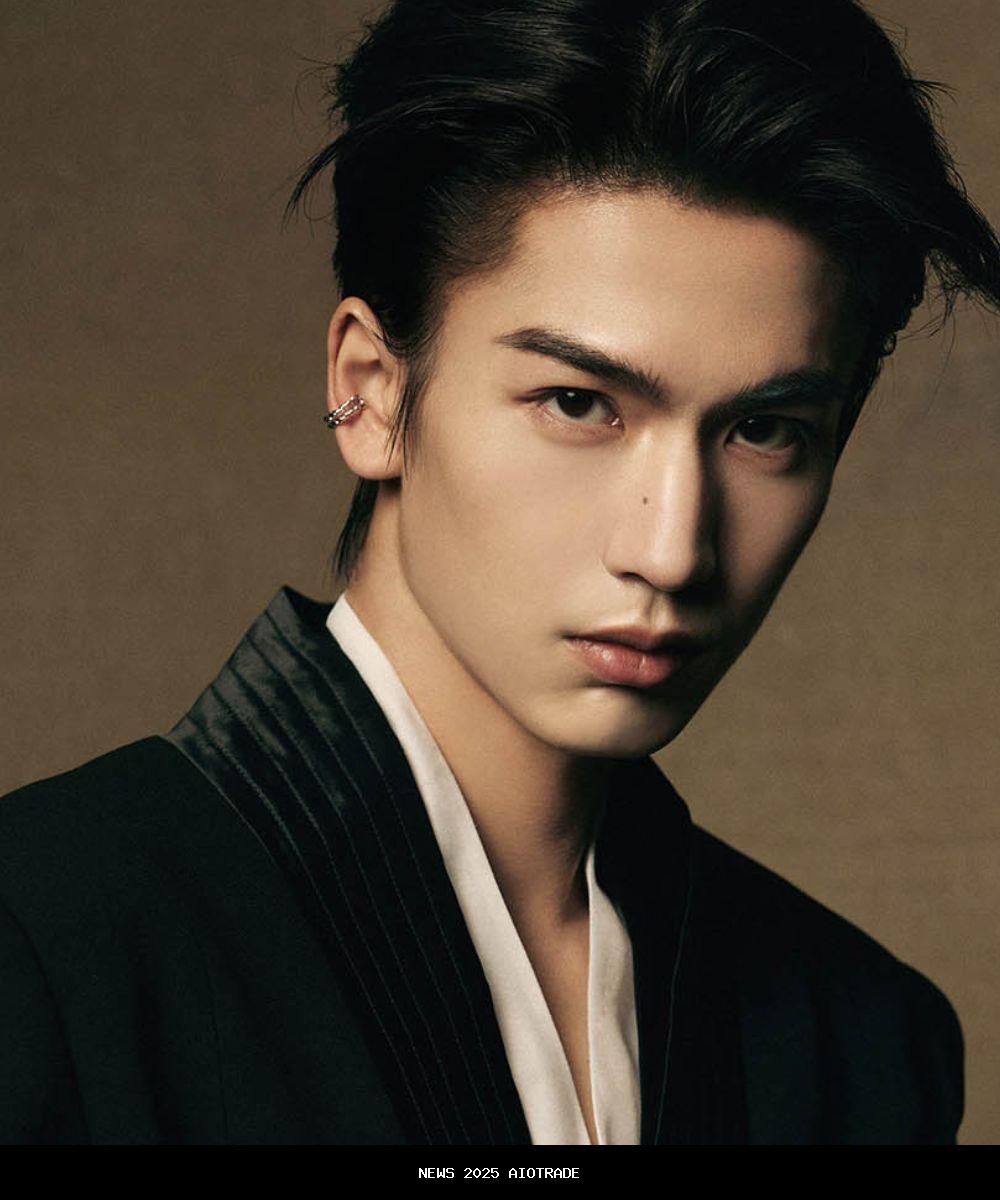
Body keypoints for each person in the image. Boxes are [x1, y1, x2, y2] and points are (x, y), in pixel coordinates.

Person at [1, 0, 997, 1146]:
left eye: (764, 431)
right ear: (371, 392)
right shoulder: (43, 949)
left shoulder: (862, 1043)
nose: (671, 549)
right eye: (578, 403)